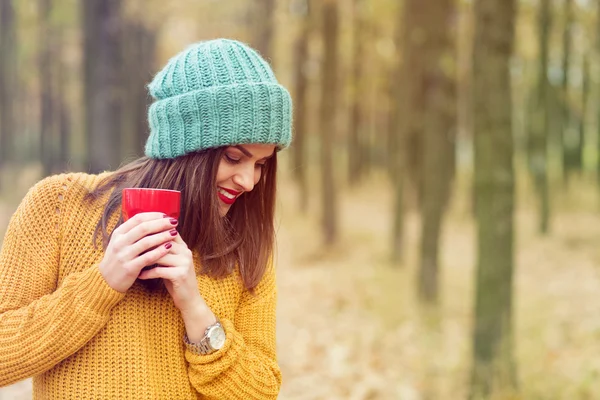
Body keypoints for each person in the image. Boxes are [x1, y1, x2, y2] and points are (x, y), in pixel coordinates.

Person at [0, 38, 292, 399]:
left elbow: (260, 391)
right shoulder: (60, 205)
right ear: (185, 148)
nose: (249, 181)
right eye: (234, 157)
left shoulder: (245, 248)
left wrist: (196, 311)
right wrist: (102, 283)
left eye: (261, 164)